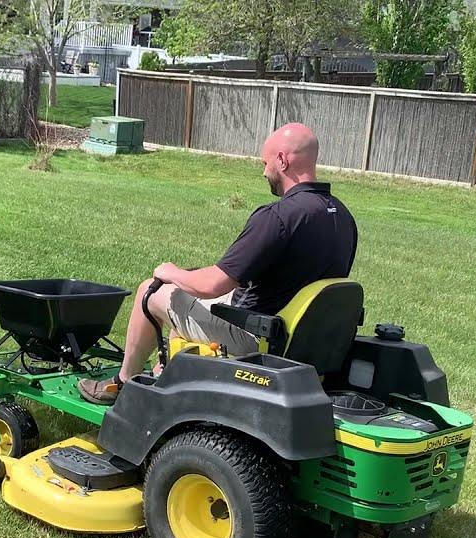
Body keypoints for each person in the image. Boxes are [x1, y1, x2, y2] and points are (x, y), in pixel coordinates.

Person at [78, 123, 358, 406]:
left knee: (151, 290)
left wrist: (171, 271)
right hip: (300, 337)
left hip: (257, 335)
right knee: (185, 291)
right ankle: (169, 372)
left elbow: (212, 285)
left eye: (265, 163)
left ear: (282, 160)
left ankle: (122, 383)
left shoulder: (279, 217)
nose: (264, 172)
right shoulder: (343, 216)